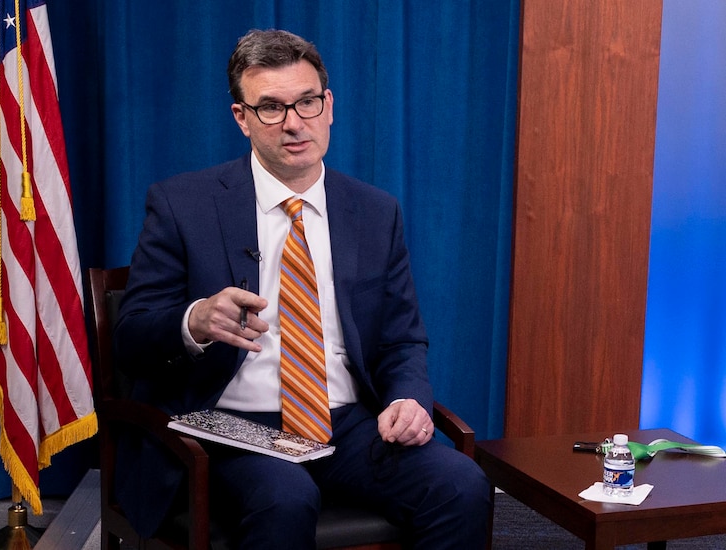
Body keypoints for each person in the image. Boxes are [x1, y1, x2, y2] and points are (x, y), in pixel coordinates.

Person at [113, 28, 490, 549]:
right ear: (241, 119)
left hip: (348, 426)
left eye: (307, 102)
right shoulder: (184, 205)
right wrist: (195, 319)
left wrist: (408, 398)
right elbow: (130, 337)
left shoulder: (375, 212)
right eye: (270, 107)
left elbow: (402, 340)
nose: (294, 123)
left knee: (462, 485)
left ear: (328, 105)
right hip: (235, 428)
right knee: (285, 499)